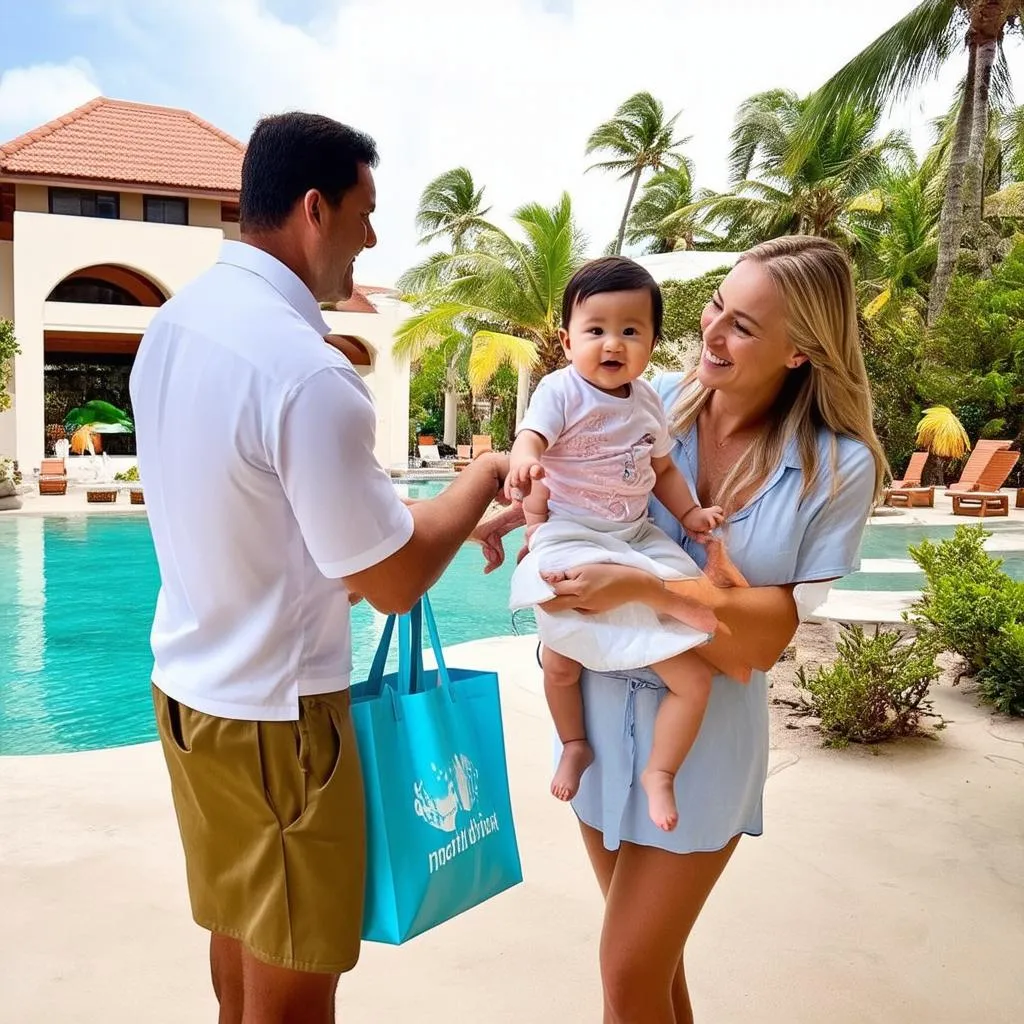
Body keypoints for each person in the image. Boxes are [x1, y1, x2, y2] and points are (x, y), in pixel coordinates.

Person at [130, 112, 508, 1024]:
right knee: (295, 987)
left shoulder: (176, 327)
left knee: (237, 945)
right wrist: (485, 475)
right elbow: (387, 582)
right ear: (313, 209)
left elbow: (316, 539)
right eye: (366, 211)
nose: (372, 237)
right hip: (279, 728)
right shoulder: (306, 373)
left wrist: (453, 524)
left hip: (192, 698)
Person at [478, 236, 887, 1023]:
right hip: (596, 729)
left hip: (697, 747)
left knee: (626, 974)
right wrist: (504, 517)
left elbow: (766, 638)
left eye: (742, 326)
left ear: (799, 350)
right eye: (713, 308)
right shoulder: (650, 394)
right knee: (655, 977)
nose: (711, 333)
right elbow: (577, 480)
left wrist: (641, 585)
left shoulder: (838, 468)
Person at [505, 257, 739, 832]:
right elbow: (531, 438)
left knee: (693, 620)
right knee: (558, 658)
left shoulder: (649, 404)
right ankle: (574, 742)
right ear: (567, 340)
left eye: (631, 330)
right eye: (596, 330)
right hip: (573, 532)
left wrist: (689, 512)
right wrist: (527, 463)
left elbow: (662, 470)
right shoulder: (560, 392)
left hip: (636, 535)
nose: (613, 343)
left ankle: (660, 771)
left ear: (652, 343)